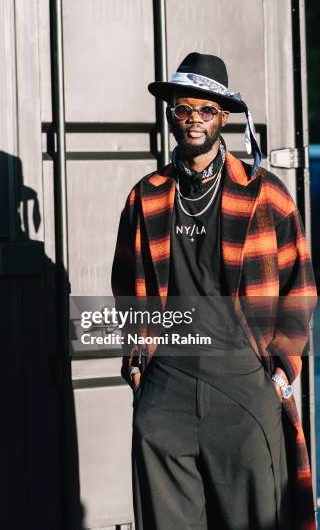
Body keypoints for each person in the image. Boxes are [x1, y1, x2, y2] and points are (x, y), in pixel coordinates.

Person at [111, 52, 318, 530]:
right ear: (171, 116)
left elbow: (301, 288)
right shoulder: (146, 195)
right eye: (184, 109)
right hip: (167, 383)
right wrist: (138, 364)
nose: (194, 120)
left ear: (223, 117)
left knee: (258, 519)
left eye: (206, 110)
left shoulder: (265, 193)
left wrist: (283, 370)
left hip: (243, 381)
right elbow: (127, 290)